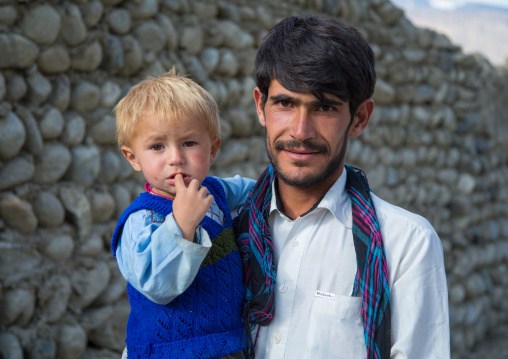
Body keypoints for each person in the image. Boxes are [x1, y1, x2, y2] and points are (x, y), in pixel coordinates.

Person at [234, 16, 450, 358]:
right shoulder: (221, 229)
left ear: (360, 118)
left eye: (324, 107)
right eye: (285, 103)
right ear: (261, 106)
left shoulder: (407, 244)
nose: (300, 131)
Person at [111, 69, 255, 359]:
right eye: (157, 146)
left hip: (229, 346)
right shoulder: (142, 219)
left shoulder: (216, 192)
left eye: (189, 143)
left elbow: (263, 191)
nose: (175, 157)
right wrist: (182, 224)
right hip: (167, 350)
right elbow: (156, 285)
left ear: (212, 149)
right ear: (132, 157)